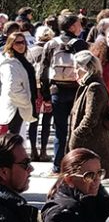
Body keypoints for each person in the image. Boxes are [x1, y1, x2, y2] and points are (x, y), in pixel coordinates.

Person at [40, 13, 89, 174]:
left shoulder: (51, 44)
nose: (81, 27)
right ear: (71, 27)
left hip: (57, 91)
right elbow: (87, 67)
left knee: (60, 130)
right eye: (78, 24)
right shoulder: (80, 44)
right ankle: (75, 165)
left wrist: (46, 95)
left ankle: (57, 166)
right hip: (77, 91)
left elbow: (43, 70)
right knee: (76, 130)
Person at [67, 51, 109, 183]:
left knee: (90, 182)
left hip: (91, 141)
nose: (74, 72)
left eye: (76, 68)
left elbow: (91, 117)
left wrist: (76, 135)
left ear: (85, 68)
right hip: (90, 141)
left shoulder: (94, 87)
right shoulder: (89, 85)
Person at [25, 26, 54, 161]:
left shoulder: (30, 51)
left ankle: (33, 150)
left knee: (33, 121)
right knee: (47, 121)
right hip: (48, 88)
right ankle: (43, 151)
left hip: (34, 90)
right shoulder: (51, 51)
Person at [0, 31, 36, 138]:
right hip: (15, 106)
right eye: (17, 43)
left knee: (14, 137)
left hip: (19, 106)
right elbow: (12, 88)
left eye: (23, 42)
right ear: (10, 44)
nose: (21, 45)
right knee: (11, 139)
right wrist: (26, 101)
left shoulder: (22, 59)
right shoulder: (10, 63)